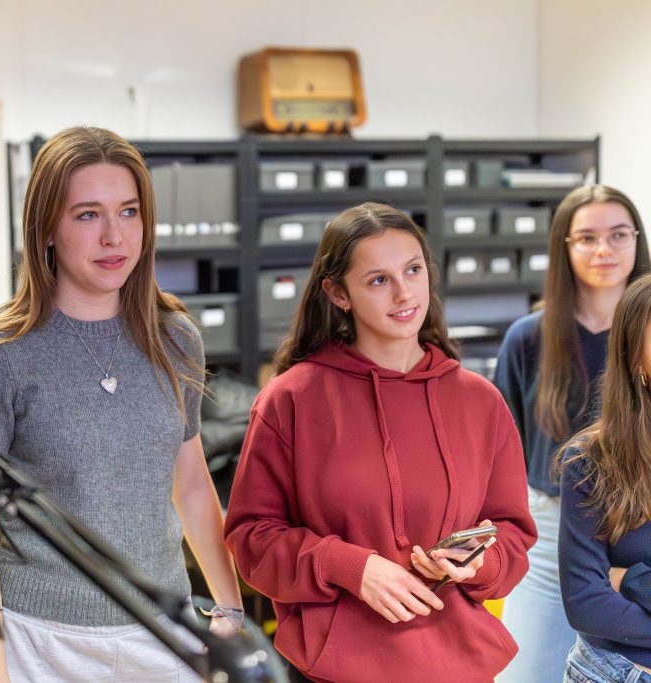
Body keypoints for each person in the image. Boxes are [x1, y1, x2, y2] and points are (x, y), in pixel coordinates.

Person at [0, 126, 243, 682]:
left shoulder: (175, 339)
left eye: (128, 212)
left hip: (163, 631)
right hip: (37, 642)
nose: (114, 236)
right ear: (47, 230)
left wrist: (231, 611)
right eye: (87, 215)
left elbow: (193, 487)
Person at [224, 203, 536, 683]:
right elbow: (252, 540)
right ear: (337, 293)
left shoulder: (480, 401)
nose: (404, 292)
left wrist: (476, 564)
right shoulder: (291, 399)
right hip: (335, 670)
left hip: (460, 667)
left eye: (412, 270)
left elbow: (512, 533)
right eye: (377, 280)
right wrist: (350, 566)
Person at [494, 185, 650, 682]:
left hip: (635, 523)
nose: (603, 250)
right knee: (526, 672)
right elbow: (499, 444)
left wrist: (630, 576)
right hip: (551, 526)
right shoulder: (529, 337)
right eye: (586, 238)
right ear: (564, 247)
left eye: (618, 235)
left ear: (637, 240)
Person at [557, 273, 651, 683]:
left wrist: (630, 578)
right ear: (635, 360)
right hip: (613, 672)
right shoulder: (590, 460)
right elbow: (586, 603)